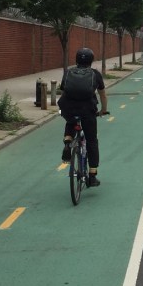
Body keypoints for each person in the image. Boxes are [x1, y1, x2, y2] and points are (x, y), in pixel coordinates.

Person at [58, 47, 108, 187]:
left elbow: (64, 90)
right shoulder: (95, 74)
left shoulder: (68, 72)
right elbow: (102, 94)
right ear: (91, 60)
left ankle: (68, 142)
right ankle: (92, 175)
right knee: (92, 141)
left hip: (68, 108)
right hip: (87, 110)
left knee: (70, 120)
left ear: (76, 59)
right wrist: (103, 110)